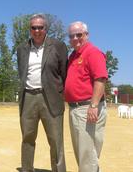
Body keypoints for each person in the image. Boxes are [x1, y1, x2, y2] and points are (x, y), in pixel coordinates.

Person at [17, 13, 68, 172]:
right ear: (29, 29)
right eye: (34, 27)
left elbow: (64, 72)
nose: (37, 30)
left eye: (40, 27)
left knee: (56, 141)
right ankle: (26, 169)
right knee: (27, 138)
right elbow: (22, 72)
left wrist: (60, 93)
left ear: (46, 28)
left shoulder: (58, 46)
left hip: (51, 98)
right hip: (28, 98)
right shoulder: (21, 48)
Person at [64, 21, 108, 172]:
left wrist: (94, 105)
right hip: (75, 109)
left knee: (87, 154)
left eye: (79, 35)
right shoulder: (73, 56)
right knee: (85, 154)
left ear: (86, 35)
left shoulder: (93, 52)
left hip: (87, 108)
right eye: (71, 36)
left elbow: (101, 79)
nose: (75, 38)